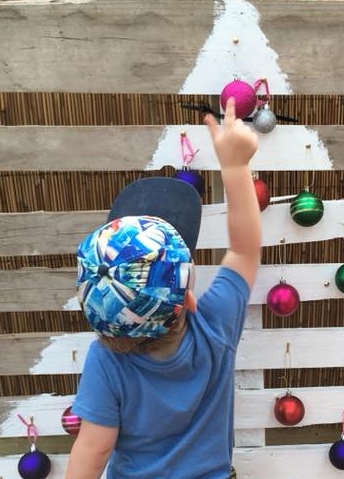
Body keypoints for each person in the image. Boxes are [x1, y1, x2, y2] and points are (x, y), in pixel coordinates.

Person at [65, 98, 261, 479]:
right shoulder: (214, 326)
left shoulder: (106, 362)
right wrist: (235, 167)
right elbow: (244, 250)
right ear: (188, 297)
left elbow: (93, 448)